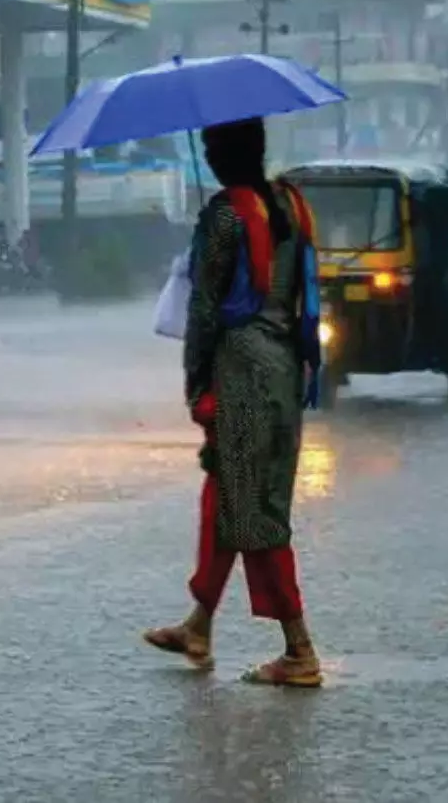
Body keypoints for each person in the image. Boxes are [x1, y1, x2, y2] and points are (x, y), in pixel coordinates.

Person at [143, 117, 326, 688]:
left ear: (226, 153)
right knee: (230, 493)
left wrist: (197, 383)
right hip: (283, 368)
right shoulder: (292, 204)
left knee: (254, 511)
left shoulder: (225, 215)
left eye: (211, 146)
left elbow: (202, 311)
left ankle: (299, 650)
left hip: (241, 371)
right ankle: (199, 623)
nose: (209, 155)